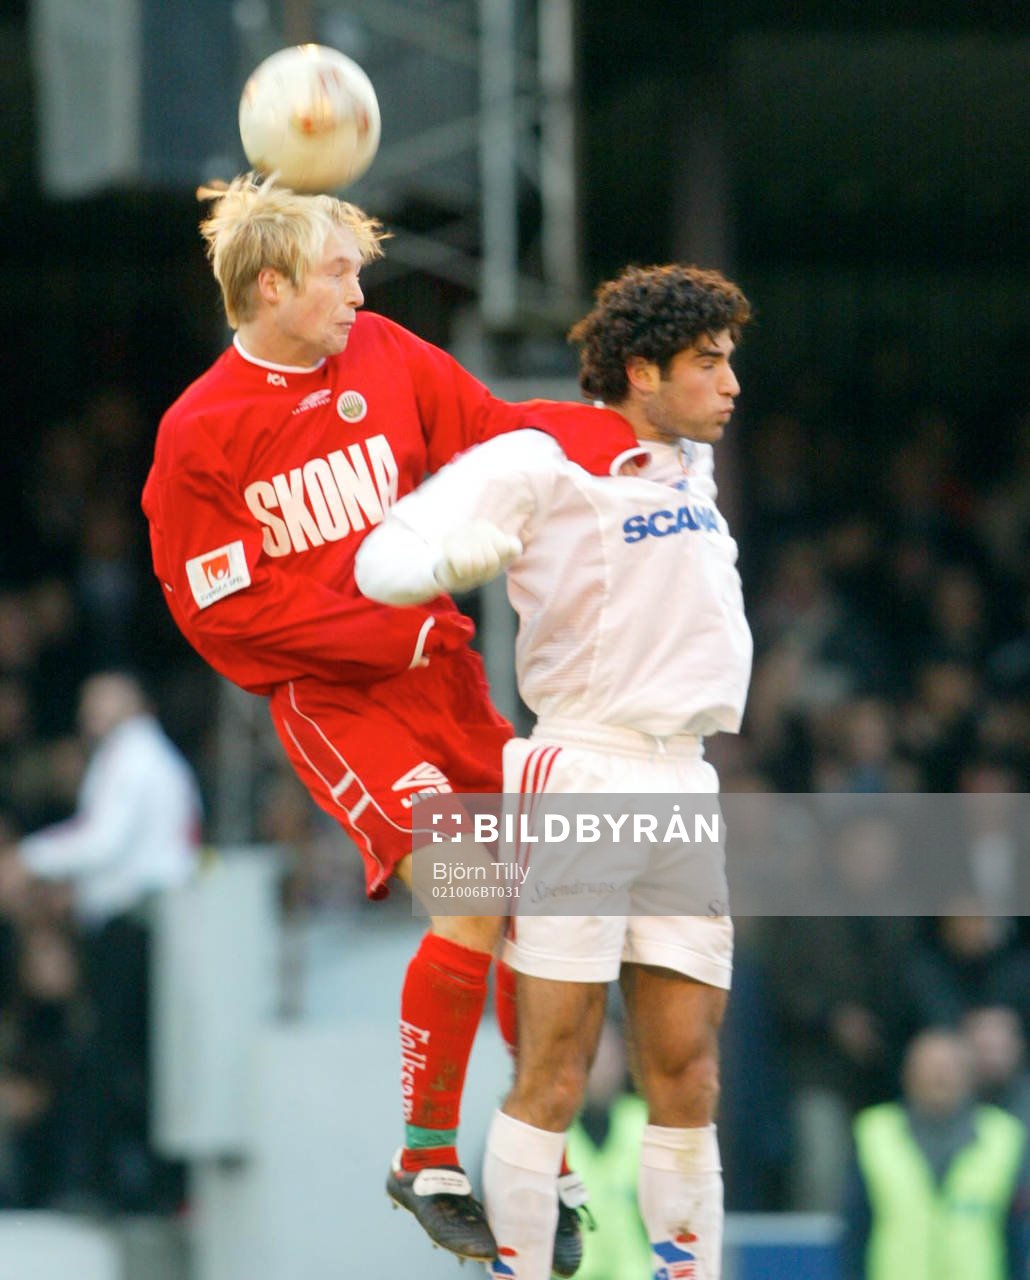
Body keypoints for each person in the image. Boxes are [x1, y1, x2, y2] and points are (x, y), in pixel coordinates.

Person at [140, 172, 641, 1265]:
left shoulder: (385, 354)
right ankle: (425, 1155)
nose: (360, 291)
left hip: (448, 682)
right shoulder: (200, 434)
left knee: (542, 908)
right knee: (475, 882)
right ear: (271, 287)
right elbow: (226, 618)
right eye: (338, 271)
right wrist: (383, 633)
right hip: (340, 702)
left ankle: (526, 1155)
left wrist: (619, 442)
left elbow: (499, 434)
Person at [357, 262, 754, 1278]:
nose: (730, 384)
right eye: (707, 362)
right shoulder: (544, 452)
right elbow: (383, 559)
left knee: (690, 1073)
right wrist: (442, 564)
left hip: (684, 781)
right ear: (639, 370)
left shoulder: (687, 468)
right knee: (556, 1068)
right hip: (583, 765)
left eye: (730, 361)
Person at [14, 670, 200, 1209]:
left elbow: (106, 840)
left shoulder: (133, 754)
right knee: (135, 1057)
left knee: (113, 1054)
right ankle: (151, 1185)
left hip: (131, 929)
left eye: (97, 702)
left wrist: (30, 858)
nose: (87, 715)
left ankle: (104, 1183)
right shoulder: (147, 757)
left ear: (130, 703)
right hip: (139, 922)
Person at [841, 1028, 1030, 1280]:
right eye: (929, 1067)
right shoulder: (874, 1132)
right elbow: (855, 1232)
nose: (939, 1077)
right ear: (907, 1074)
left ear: (970, 1074)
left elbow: (1016, 1237)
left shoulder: (1004, 1136)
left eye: (949, 1068)